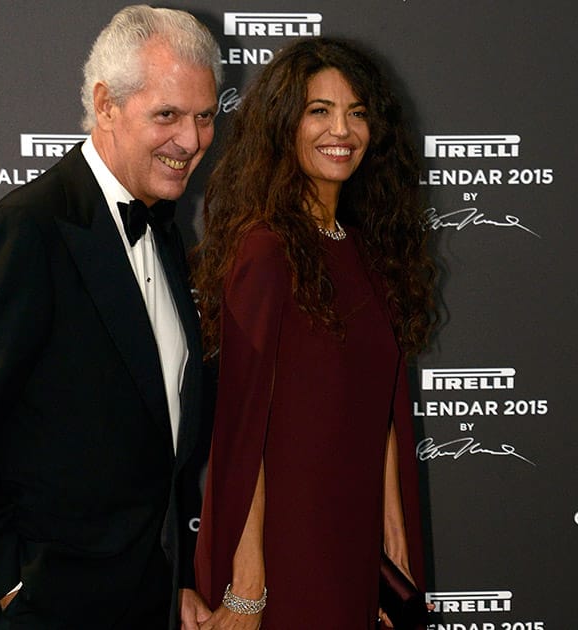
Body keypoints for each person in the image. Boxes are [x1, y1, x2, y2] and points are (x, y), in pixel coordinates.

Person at [0, 6, 220, 629]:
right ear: (106, 105)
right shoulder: (23, 232)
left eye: (205, 116)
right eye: (167, 115)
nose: (190, 141)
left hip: (148, 596)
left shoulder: (163, 229)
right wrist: (7, 588)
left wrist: (177, 579)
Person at [191, 38, 437, 629]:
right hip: (288, 550)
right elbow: (241, 430)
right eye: (319, 110)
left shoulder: (367, 253)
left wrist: (393, 543)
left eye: (357, 112)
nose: (342, 129)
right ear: (284, 125)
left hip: (356, 547)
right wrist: (248, 585)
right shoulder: (265, 250)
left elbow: (376, 411)